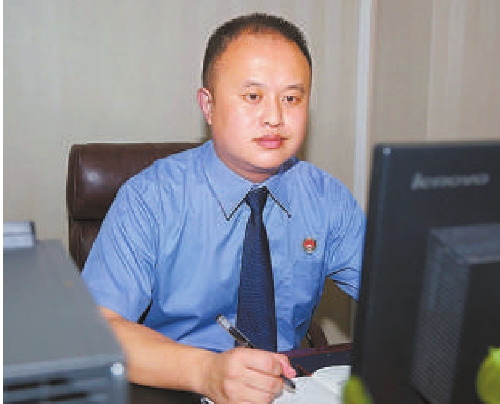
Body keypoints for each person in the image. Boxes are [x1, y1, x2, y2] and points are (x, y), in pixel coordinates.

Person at [82, 12, 365, 404]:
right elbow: (97, 331)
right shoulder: (150, 198)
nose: (274, 118)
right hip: (173, 388)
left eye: (291, 98)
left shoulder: (326, 199)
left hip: (286, 390)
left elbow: (400, 296)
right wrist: (205, 372)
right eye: (253, 97)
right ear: (208, 105)